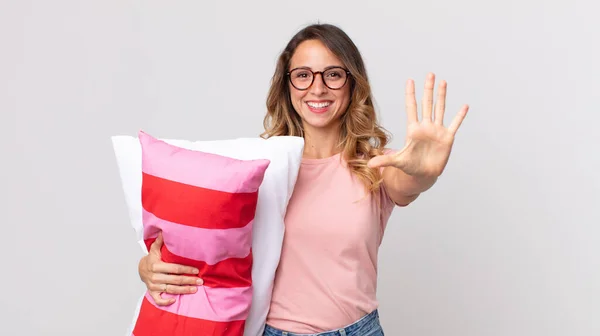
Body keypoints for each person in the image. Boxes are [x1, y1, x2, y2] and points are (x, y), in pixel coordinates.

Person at [137, 23, 468, 335]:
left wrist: (425, 172)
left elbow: (410, 184)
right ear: (287, 85)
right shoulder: (254, 170)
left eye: (334, 74)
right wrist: (148, 267)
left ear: (352, 84)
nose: (318, 87)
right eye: (303, 75)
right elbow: (200, 247)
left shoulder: (378, 165)